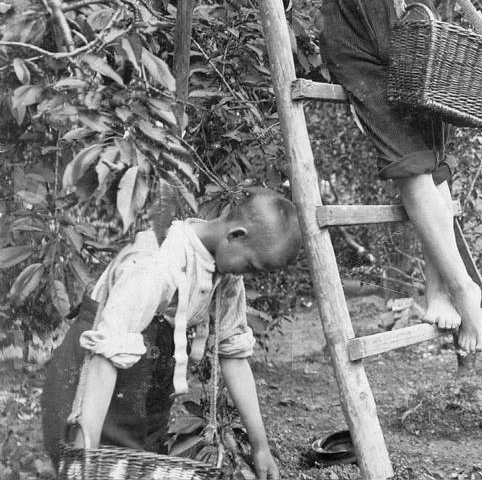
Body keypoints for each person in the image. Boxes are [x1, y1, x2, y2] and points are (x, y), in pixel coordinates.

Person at [257, 0, 482, 352]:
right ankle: (457, 290)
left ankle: (453, 291)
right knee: (410, 160)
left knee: (427, 161)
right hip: (348, 23)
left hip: (404, 17)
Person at [40, 188, 303, 480]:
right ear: (236, 234)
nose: (250, 276)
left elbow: (235, 358)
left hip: (142, 379)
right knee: (93, 470)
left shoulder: (226, 274)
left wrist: (261, 447)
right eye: (252, 266)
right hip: (90, 377)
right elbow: (105, 356)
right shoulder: (160, 263)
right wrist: (84, 459)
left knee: (141, 463)